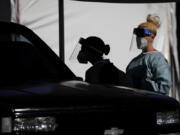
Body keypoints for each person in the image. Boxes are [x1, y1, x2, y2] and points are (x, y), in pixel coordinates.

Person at [126, 14, 172, 95]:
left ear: (152, 36)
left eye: (142, 34)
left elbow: (164, 88)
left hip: (151, 105)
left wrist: (139, 84)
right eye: (137, 35)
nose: (138, 38)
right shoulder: (133, 62)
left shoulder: (157, 59)